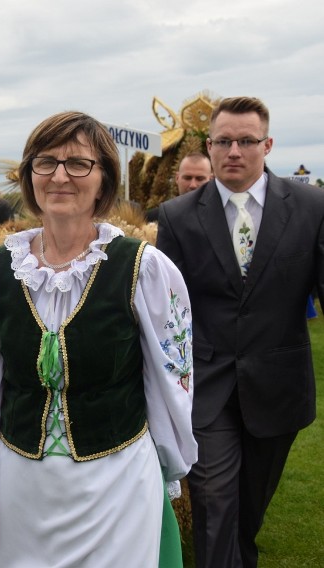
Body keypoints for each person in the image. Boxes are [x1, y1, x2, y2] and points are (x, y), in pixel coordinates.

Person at [0, 110, 197, 567]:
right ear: (30, 174)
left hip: (116, 481)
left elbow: (171, 377)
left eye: (78, 163)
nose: (60, 176)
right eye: (46, 162)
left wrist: (167, 464)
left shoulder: (143, 268)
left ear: (104, 180)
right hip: (22, 486)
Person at [157, 96, 324, 568]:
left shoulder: (313, 208)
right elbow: (169, 314)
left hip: (279, 388)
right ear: (209, 147)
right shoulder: (177, 216)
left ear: (267, 145)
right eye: (224, 141)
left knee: (248, 513)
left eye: (246, 141)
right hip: (207, 390)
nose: (234, 150)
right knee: (213, 505)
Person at [145, 152, 213, 221]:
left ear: (211, 180)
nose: (193, 185)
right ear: (177, 178)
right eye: (187, 178)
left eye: (200, 179)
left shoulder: (221, 217)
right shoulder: (155, 218)